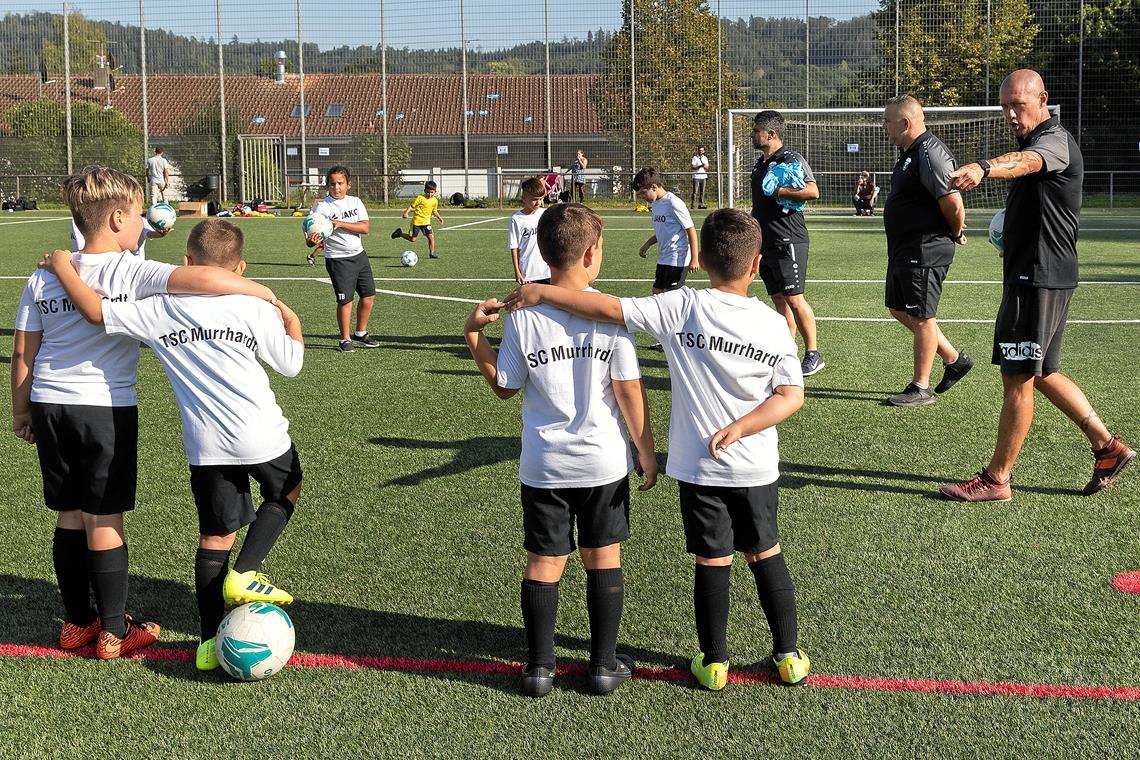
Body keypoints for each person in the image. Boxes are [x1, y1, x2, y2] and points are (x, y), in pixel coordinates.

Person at [507, 209, 811, 691]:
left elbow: (607, 309)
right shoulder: (775, 325)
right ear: (756, 265)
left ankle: (713, 664)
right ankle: (789, 655)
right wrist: (744, 428)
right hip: (755, 465)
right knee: (766, 551)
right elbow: (791, 396)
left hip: (698, 467)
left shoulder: (681, 305)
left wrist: (540, 291)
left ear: (702, 258)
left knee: (714, 560)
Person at [10, 166, 277, 660]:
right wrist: (261, 292)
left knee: (70, 515)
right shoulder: (132, 271)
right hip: (104, 407)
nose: (145, 229)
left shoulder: (43, 275)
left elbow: (24, 350)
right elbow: (202, 278)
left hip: (49, 403)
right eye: (139, 219)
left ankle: (76, 623)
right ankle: (114, 630)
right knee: (104, 517)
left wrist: (20, 411)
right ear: (116, 218)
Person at [464, 203, 657, 697]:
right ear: (592, 254)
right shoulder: (609, 314)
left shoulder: (525, 316)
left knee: (543, 561)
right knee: (603, 556)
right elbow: (629, 389)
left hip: (544, 464)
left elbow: (505, 386)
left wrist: (473, 336)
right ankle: (603, 666)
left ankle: (539, 669)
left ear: (543, 254)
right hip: (602, 461)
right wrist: (647, 450)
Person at [940, 69, 1135, 501]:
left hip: (1040, 277)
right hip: (1038, 272)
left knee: (1017, 377)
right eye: (1005, 105)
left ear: (1042, 98)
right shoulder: (1035, 140)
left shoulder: (1053, 141)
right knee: (1042, 370)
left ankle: (997, 480)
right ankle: (1108, 447)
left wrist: (984, 167)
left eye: (1019, 104)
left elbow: (1028, 163)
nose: (1010, 113)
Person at [881, 95, 975, 407]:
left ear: (905, 123)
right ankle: (953, 359)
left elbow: (953, 202)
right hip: (905, 248)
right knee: (899, 309)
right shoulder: (908, 152)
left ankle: (920, 388)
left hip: (925, 249)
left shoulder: (929, 152)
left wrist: (956, 231)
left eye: (887, 121)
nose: (883, 126)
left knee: (922, 316)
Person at [750, 110, 824, 376]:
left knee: (794, 299)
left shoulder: (790, 158)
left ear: (771, 134)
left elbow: (812, 191)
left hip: (788, 238)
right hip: (766, 239)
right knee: (779, 300)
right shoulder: (760, 163)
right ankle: (786, 351)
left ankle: (813, 354)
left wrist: (780, 191)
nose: (752, 134)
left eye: (756, 130)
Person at [307, 165, 379, 353]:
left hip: (359, 255)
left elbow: (365, 228)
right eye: (332, 184)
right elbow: (311, 235)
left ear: (348, 185)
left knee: (368, 295)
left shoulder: (355, 202)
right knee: (345, 300)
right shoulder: (322, 207)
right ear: (327, 185)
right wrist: (310, 239)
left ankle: (360, 333)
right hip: (338, 259)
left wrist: (340, 223)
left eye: (340, 183)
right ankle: (345, 339)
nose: (336, 187)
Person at [632, 167, 699, 295]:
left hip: (677, 258)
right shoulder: (656, 204)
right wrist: (648, 244)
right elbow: (664, 230)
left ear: (653, 187)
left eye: (643, 193)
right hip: (663, 258)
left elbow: (691, 229)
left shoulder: (674, 203)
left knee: (671, 298)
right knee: (657, 293)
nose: (643, 197)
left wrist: (695, 258)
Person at [509, 177, 550, 285]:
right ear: (523, 198)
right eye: (535, 199)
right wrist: (517, 271)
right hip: (529, 272)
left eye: (541, 199)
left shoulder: (546, 214)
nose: (539, 203)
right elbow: (514, 248)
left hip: (548, 271)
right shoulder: (516, 219)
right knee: (531, 302)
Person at [393, 180, 444, 260]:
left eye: (432, 192)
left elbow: (434, 211)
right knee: (413, 239)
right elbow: (411, 206)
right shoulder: (420, 198)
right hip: (416, 222)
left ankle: (432, 253)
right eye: (428, 192)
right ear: (425, 191)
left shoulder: (435, 200)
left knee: (431, 237)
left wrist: (439, 218)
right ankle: (399, 233)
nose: (430, 194)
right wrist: (406, 213)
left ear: (435, 192)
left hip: (426, 223)